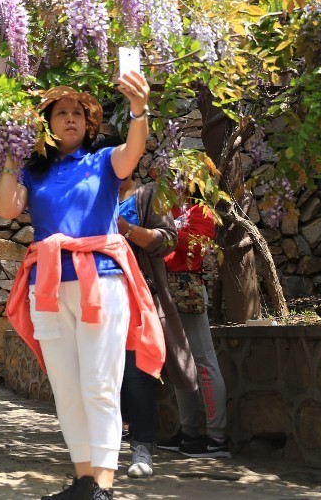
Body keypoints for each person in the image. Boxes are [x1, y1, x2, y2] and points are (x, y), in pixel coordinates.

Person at [0, 77, 161, 500]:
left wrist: (139, 110)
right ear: (47, 124)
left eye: (77, 113)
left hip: (101, 281)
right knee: (67, 388)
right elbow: (5, 207)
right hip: (48, 286)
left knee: (99, 383)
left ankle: (103, 485)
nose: (70, 118)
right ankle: (83, 479)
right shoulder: (34, 172)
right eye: (60, 113)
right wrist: (10, 155)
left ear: (88, 124)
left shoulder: (105, 160)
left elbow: (133, 153)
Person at [116, 181, 199, 478]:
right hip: (97, 298)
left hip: (139, 297)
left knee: (137, 374)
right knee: (101, 376)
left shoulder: (147, 195)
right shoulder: (92, 193)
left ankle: (142, 448)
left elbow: (168, 240)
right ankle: (102, 452)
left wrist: (126, 229)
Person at [156, 189, 230, 458]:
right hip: (164, 290)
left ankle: (217, 438)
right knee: (179, 363)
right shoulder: (166, 208)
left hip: (187, 288)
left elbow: (197, 245)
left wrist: (161, 236)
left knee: (203, 361)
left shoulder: (201, 210)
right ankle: (189, 433)